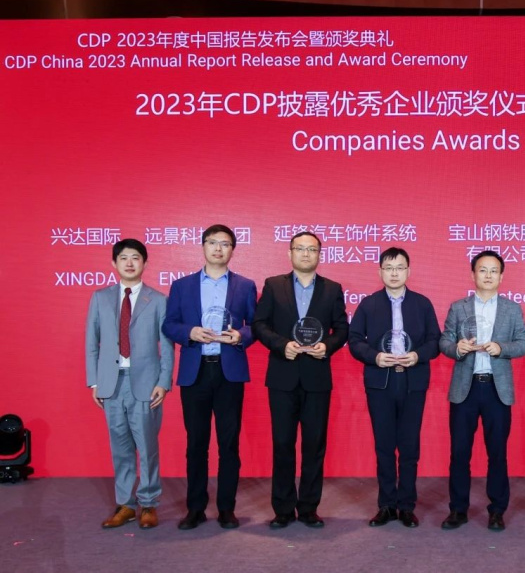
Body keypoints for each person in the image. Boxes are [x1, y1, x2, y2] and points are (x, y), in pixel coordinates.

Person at [162, 224, 257, 530]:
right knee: (196, 444)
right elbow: (169, 324)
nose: (218, 248)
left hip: (229, 372)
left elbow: (257, 325)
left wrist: (240, 335)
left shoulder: (245, 285)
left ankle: (227, 508)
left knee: (229, 444)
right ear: (203, 246)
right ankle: (196, 508)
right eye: (213, 242)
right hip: (196, 371)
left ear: (233, 250)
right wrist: (189, 332)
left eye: (225, 244)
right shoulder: (182, 286)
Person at [252, 231, 349, 529]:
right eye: (300, 249)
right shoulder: (273, 285)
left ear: (319, 254)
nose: (306, 254)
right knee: (282, 443)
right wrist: (282, 345)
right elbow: (259, 324)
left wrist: (327, 346)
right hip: (282, 375)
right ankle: (283, 508)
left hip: (317, 377)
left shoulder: (332, 289)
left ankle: (308, 508)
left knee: (314, 444)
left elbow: (342, 329)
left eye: (312, 249)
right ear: (290, 253)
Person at [348, 247, 440, 528]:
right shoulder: (369, 304)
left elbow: (435, 341)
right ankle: (387, 505)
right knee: (384, 446)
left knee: (409, 447)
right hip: (380, 382)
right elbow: (354, 340)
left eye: (400, 267)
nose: (394, 273)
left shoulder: (422, 304)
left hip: (413, 382)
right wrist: (375, 356)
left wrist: (418, 355)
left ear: (408, 271)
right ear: (380, 272)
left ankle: (407, 506)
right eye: (389, 268)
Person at [438, 250, 525, 532]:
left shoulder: (511, 309)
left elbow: (523, 343)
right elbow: (444, 342)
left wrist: (501, 348)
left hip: (496, 389)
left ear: (501, 277)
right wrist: (457, 348)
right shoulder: (459, 307)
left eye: (493, 271)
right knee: (459, 452)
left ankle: (497, 510)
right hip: (464, 389)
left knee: (497, 453)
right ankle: (458, 509)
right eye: (482, 270)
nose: (488, 275)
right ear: (473, 274)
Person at [86, 239, 174, 530]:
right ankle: (125, 504)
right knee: (120, 447)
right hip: (111, 384)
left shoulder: (158, 300)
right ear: (114, 263)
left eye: (135, 257)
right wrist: (94, 381)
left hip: (146, 384)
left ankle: (148, 503)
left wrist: (164, 382)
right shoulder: (100, 298)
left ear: (144, 263)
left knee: (147, 447)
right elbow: (92, 342)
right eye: (123, 258)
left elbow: (167, 345)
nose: (129, 263)